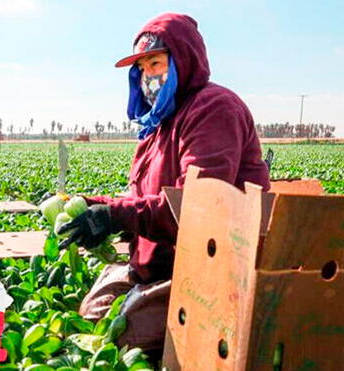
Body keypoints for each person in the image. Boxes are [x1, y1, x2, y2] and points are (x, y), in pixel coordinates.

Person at [56, 13, 271, 351]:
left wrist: (116, 217)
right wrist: (98, 208)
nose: (147, 76)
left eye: (155, 63)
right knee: (92, 314)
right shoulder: (159, 123)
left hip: (209, 268)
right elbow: (143, 198)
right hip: (157, 266)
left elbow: (200, 210)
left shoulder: (213, 109)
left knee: (123, 337)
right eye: (142, 68)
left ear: (184, 60)